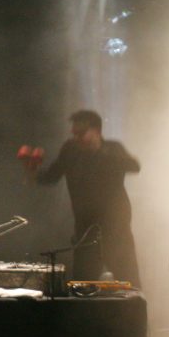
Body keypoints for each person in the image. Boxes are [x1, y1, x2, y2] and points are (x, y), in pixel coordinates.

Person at [29, 109, 141, 285]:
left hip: (116, 230)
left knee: (129, 283)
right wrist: (33, 170)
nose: (76, 138)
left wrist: (103, 153)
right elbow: (51, 176)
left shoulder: (112, 148)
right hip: (86, 230)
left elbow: (135, 166)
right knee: (82, 285)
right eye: (74, 133)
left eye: (81, 133)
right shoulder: (70, 150)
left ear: (96, 131)